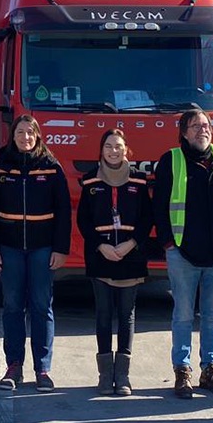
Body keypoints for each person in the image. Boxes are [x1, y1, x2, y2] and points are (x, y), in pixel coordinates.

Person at [153, 108, 213, 399]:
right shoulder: (171, 160)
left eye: (205, 125)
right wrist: (168, 243)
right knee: (183, 314)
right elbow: (159, 205)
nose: (202, 130)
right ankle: (182, 371)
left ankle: (210, 370)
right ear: (183, 132)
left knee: (212, 316)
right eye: (194, 126)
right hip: (183, 253)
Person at [0, 115, 71, 393]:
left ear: (37, 136)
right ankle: (14, 365)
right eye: (20, 132)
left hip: (42, 249)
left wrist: (60, 249)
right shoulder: (0, 168)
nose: (25, 137)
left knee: (41, 307)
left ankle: (42, 369)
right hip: (9, 249)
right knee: (12, 306)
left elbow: (63, 212)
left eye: (30, 133)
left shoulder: (51, 167)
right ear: (13, 136)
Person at [75, 129, 151, 396]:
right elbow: (83, 220)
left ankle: (123, 376)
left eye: (118, 146)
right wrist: (101, 246)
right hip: (101, 257)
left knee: (127, 315)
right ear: (101, 150)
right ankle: (105, 376)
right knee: (104, 314)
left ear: (126, 149)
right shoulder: (90, 181)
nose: (113, 151)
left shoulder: (139, 180)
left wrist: (131, 244)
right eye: (108, 146)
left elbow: (147, 218)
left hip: (131, 256)